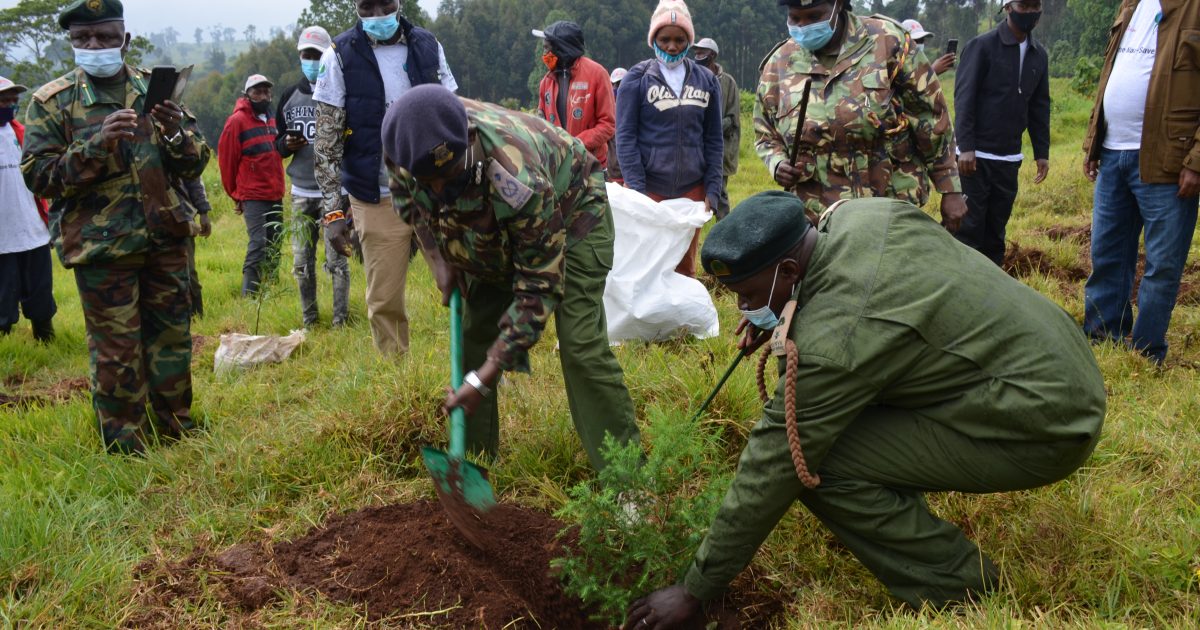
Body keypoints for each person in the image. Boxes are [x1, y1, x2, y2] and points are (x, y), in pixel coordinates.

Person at [625, 192, 1106, 627]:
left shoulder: (837, 339)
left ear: (789, 272)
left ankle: (957, 583)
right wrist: (784, 314)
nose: (743, 309)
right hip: (1063, 361)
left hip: (1048, 423)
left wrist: (695, 589)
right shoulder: (861, 214)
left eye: (748, 295)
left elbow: (775, 460)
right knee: (837, 425)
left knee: (813, 462)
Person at [381, 85, 641, 471]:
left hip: (572, 210)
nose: (438, 189)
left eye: (448, 178)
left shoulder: (517, 177)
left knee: (580, 346)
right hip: (489, 214)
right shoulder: (405, 146)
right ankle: (472, 466)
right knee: (474, 336)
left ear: (468, 146)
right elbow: (408, 202)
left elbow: (538, 285)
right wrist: (438, 259)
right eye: (428, 181)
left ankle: (625, 478)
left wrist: (487, 375)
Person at [21, 0, 211, 454]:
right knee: (117, 353)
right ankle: (128, 446)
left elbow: (195, 162)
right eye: (83, 38)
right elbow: (39, 176)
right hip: (102, 249)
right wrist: (96, 144)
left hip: (165, 237)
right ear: (71, 43)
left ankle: (177, 430)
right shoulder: (53, 102)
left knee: (172, 340)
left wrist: (175, 135)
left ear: (124, 40)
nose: (94, 46)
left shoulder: (155, 89)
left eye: (105, 37)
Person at [313, 0, 457, 355]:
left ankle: (479, 371)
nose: (378, 15)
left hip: (436, 190)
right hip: (376, 195)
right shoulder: (339, 56)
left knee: (465, 280)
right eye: (367, 7)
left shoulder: (428, 46)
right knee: (384, 298)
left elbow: (456, 113)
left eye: (385, 5)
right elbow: (327, 143)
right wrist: (333, 213)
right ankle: (397, 376)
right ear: (356, 7)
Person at [756, 0, 966, 230]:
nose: (804, 26)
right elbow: (765, 132)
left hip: (889, 208)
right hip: (818, 215)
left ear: (838, 6)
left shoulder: (887, 41)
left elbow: (929, 116)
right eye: (795, 18)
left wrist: (950, 188)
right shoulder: (778, 64)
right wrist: (778, 163)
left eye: (814, 16)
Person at [1082, 0, 1200, 365]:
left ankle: (1146, 353)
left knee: (1162, 265)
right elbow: (1110, 73)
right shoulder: (1131, 5)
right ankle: (1102, 338)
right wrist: (1093, 143)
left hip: (1169, 161)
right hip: (1113, 153)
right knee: (1107, 254)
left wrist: (1197, 161)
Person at [615, 0, 723, 277]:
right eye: (665, 40)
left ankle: (681, 306)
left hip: (692, 190)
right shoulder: (636, 79)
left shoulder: (707, 81)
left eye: (679, 40)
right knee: (646, 262)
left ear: (689, 41)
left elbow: (714, 138)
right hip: (649, 188)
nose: (672, 47)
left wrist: (712, 189)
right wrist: (636, 190)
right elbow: (625, 137)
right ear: (653, 39)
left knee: (684, 264)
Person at [954, 0, 1050, 265]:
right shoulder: (981, 46)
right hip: (974, 159)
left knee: (996, 233)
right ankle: (961, 283)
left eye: (1034, 6)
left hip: (1008, 159)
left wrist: (1042, 152)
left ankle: (990, 285)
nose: (1030, 12)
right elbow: (964, 99)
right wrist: (966, 146)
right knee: (969, 229)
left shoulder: (1038, 55)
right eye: (1023, 6)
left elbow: (1039, 105)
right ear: (1008, 7)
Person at [277, 26, 349, 329]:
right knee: (301, 262)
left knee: (336, 261)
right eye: (306, 55)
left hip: (334, 192)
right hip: (301, 192)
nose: (311, 60)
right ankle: (310, 320)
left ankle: (340, 321)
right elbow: (278, 142)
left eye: (316, 55)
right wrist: (286, 144)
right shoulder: (289, 96)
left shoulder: (340, 92)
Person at [0, 76, 56, 341]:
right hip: (2, 237)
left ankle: (45, 340)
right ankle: (7, 350)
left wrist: (48, 222)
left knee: (41, 292)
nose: (11, 105)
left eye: (14, 100)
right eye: (4, 100)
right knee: (3, 296)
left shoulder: (23, 134)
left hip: (33, 230)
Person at [219, 74, 285, 297]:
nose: (263, 96)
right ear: (247, 95)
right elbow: (227, 162)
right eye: (257, 92)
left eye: (266, 91)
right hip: (253, 195)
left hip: (275, 192)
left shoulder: (273, 118)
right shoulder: (236, 121)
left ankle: (272, 291)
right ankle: (249, 295)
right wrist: (236, 195)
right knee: (258, 243)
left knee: (275, 242)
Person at [533, 20, 615, 168]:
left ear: (562, 49)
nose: (544, 54)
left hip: (591, 165)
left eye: (547, 48)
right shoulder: (546, 82)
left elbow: (608, 124)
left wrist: (576, 143)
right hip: (558, 166)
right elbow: (541, 123)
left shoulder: (597, 74)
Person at [692, 37, 739, 220]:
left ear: (712, 55)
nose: (698, 55)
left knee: (719, 190)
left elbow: (732, 118)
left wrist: (712, 127)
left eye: (702, 52)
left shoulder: (728, 82)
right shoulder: (693, 78)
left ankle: (724, 226)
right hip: (696, 147)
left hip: (720, 147)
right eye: (696, 52)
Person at [176, 176, 211, 318]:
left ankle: (197, 317)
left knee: (188, 271)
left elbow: (192, 177)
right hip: (142, 223)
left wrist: (203, 211)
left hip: (180, 217)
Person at [606, 67, 627, 183]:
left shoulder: (636, 107)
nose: (616, 88)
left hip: (629, 173)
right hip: (612, 172)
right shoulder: (607, 109)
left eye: (619, 84)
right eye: (614, 84)